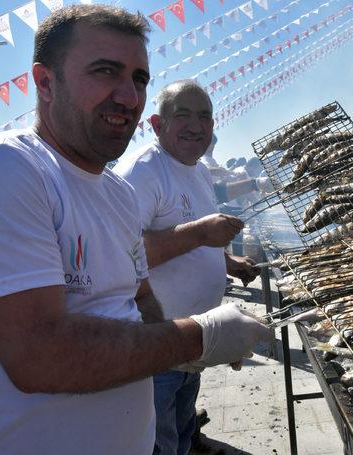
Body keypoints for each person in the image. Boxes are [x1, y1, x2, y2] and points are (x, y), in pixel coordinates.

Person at [0, 6, 270, 454]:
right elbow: (39, 355)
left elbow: (140, 295)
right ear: (45, 82)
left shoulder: (115, 192)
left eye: (140, 79)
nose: (128, 97)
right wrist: (198, 335)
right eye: (106, 72)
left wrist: (187, 353)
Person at [114, 79, 261, 455]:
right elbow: (121, 256)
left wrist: (228, 262)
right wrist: (199, 234)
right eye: (183, 115)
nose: (196, 125)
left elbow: (194, 236)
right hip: (155, 344)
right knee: (156, 443)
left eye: (205, 116)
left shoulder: (196, 169)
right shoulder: (142, 171)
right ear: (157, 124)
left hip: (194, 340)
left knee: (180, 431)